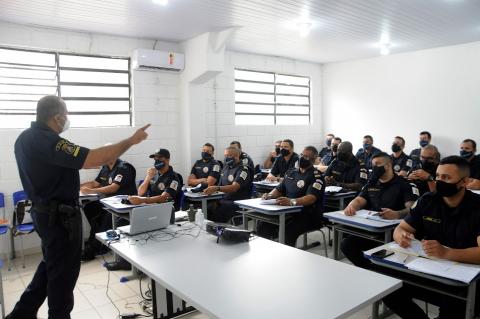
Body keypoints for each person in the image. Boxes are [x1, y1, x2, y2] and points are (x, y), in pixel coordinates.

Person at [10, 95, 149, 319]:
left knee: (51, 267)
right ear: (57, 117)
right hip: (60, 218)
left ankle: (21, 314)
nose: (67, 119)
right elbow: (93, 159)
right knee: (63, 276)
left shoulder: (25, 138)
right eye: (66, 114)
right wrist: (130, 141)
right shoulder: (48, 140)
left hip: (47, 213)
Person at [382, 156, 480, 319]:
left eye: (447, 177)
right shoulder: (428, 200)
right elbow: (401, 228)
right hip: (427, 270)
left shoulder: (477, 206)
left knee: (452, 308)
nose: (440, 181)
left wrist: (447, 253)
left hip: (463, 281)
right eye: (438, 176)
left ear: (464, 182)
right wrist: (402, 237)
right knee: (388, 287)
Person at [340, 152, 419, 268]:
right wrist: (351, 206)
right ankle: (370, 269)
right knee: (346, 244)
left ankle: (379, 270)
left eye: (377, 164)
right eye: (372, 165)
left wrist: (397, 214)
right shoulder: (372, 182)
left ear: (387, 166)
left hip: (394, 231)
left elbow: (412, 208)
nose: (374, 168)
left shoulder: (404, 184)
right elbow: (359, 199)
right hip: (372, 228)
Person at [257, 146, 325, 247]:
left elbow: (311, 198)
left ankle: (288, 257)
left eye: (306, 157)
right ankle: (267, 249)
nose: (302, 158)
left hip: (307, 215)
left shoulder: (316, 177)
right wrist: (270, 195)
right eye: (302, 155)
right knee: (263, 224)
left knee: (288, 231)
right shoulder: (291, 172)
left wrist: (291, 202)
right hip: (287, 212)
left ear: (313, 159)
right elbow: (279, 189)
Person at [79, 156, 137, 261]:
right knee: (89, 207)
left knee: (107, 216)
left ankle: (96, 248)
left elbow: (113, 187)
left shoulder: (123, 168)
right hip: (108, 202)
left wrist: (91, 191)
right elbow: (94, 183)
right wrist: (78, 187)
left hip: (123, 204)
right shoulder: (105, 167)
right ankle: (95, 238)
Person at [204, 146, 252, 223]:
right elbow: (220, 185)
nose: (226, 158)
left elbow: (234, 188)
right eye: (225, 156)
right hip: (224, 199)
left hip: (237, 202)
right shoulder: (226, 168)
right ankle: (208, 230)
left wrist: (216, 188)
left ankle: (218, 231)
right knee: (207, 207)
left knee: (218, 210)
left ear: (236, 156)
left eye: (228, 156)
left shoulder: (243, 170)